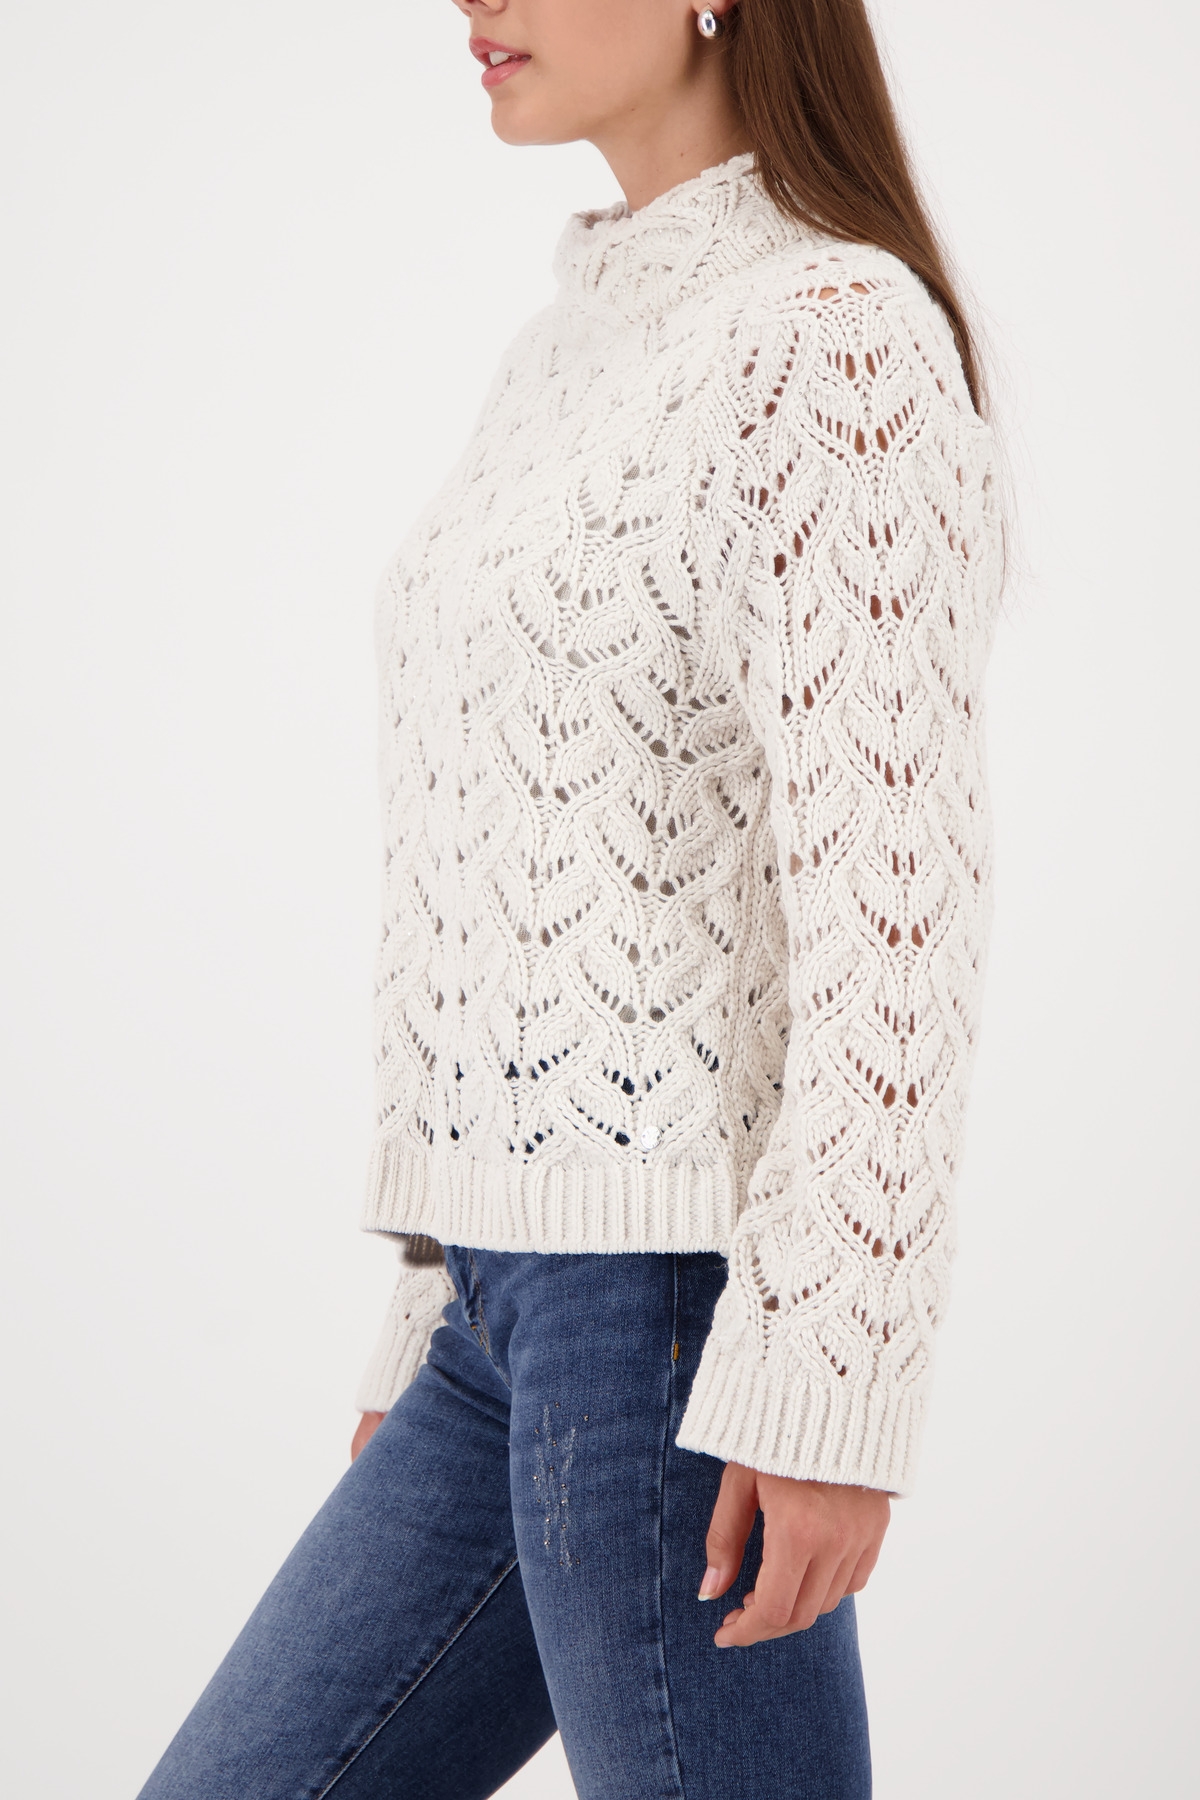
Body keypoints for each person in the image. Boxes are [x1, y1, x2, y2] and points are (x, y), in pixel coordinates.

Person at [138, 1, 1002, 1795]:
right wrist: (431, 1301)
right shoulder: (566, 352)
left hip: (675, 1320)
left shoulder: (833, 340)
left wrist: (834, 1381)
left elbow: (895, 911)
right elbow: (508, 872)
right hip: (499, 1313)